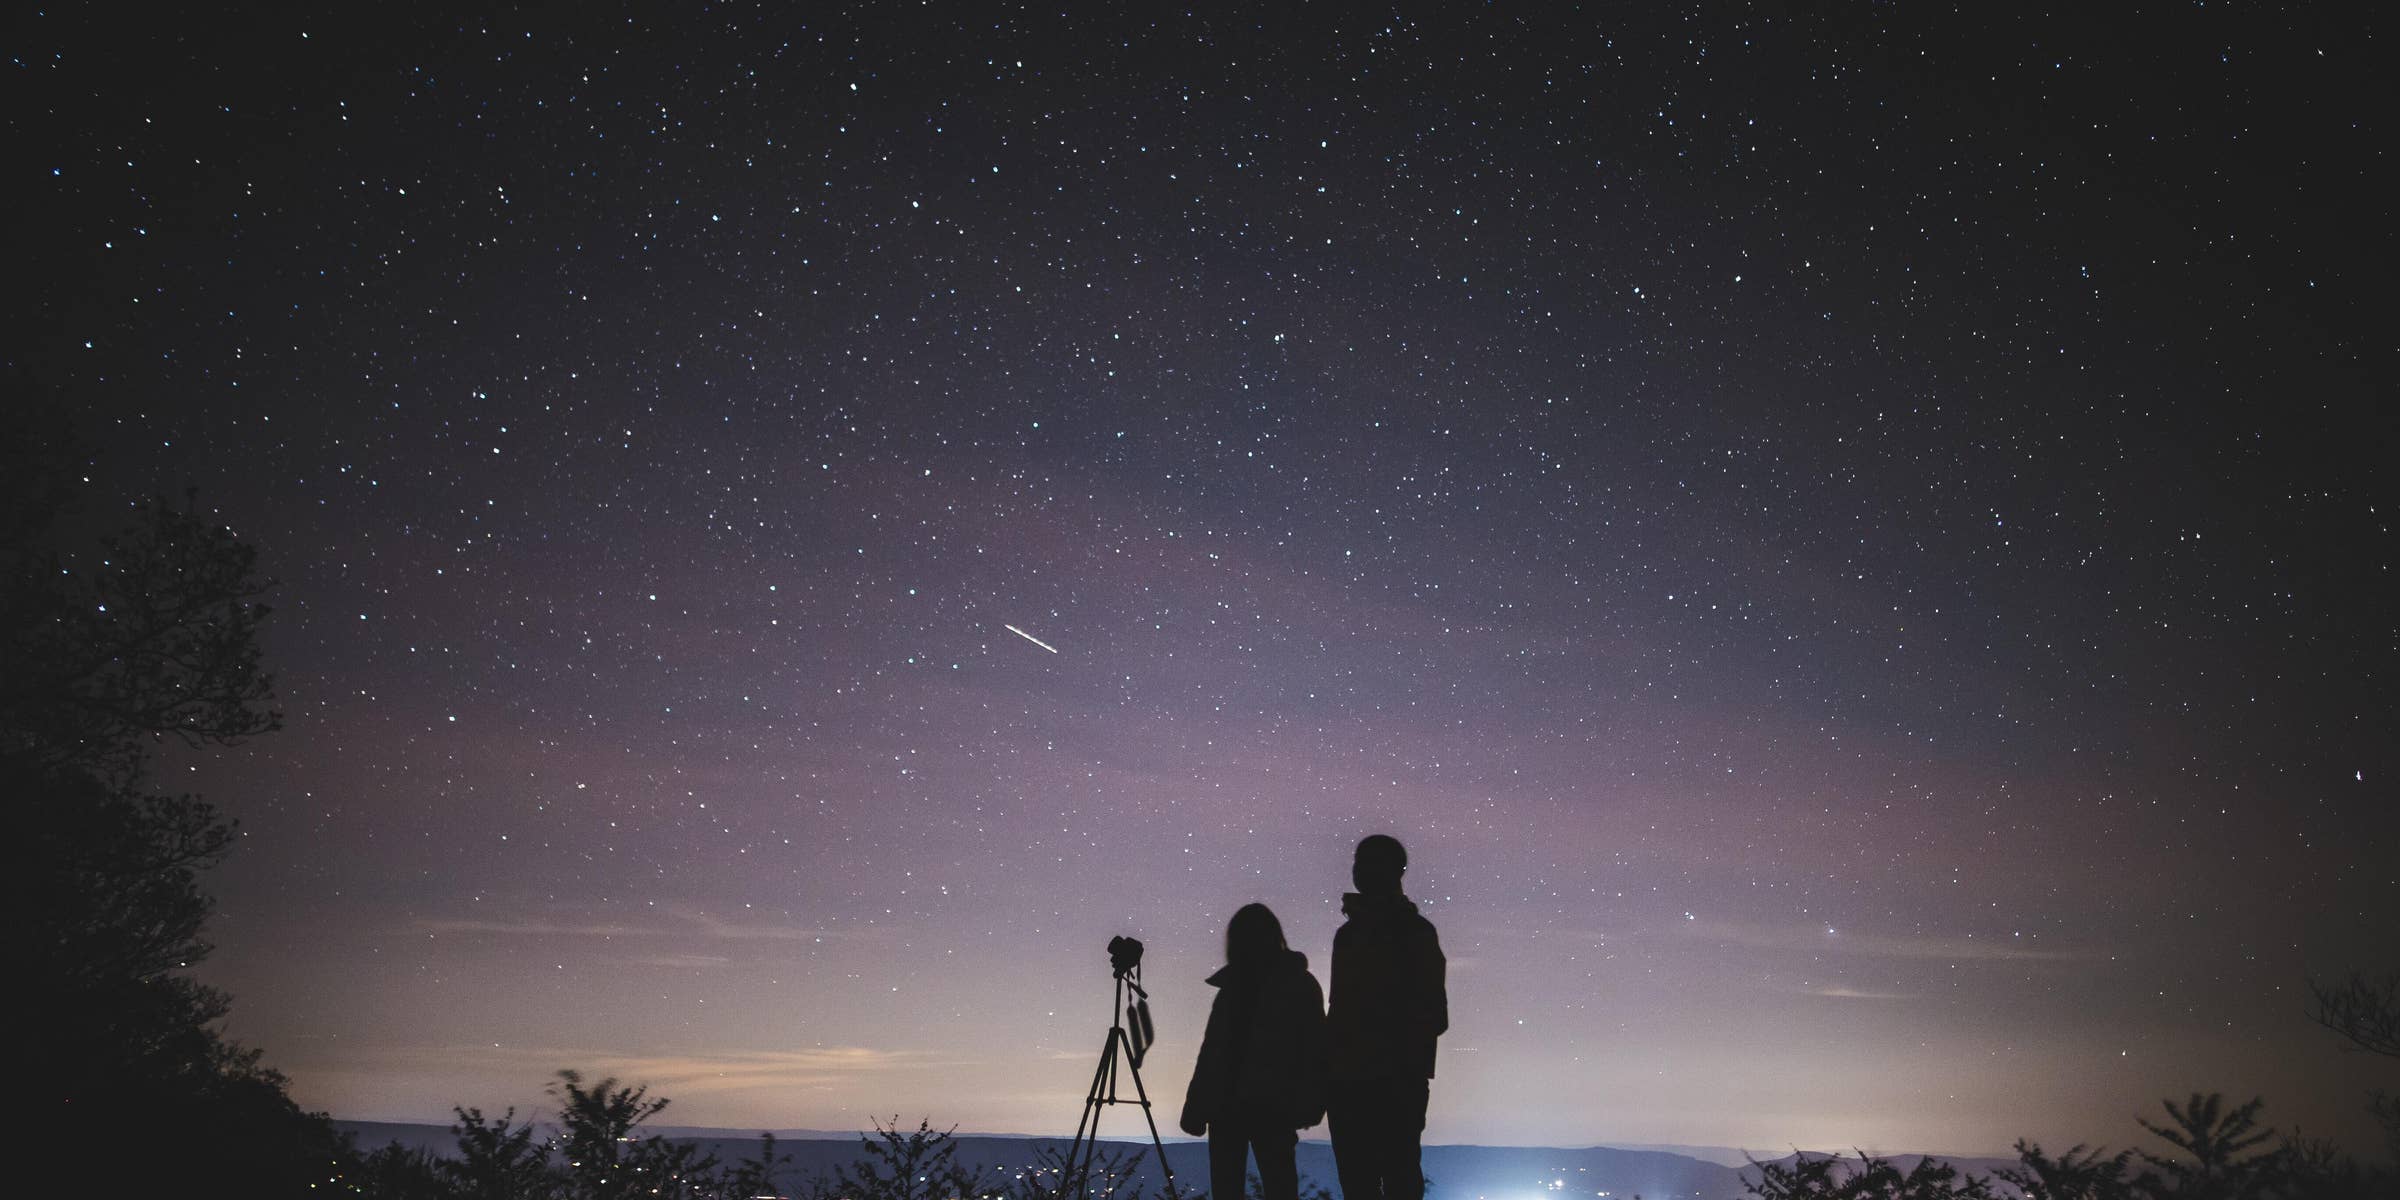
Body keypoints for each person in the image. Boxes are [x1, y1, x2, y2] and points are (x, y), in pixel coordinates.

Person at [1325, 834, 1447, 1200]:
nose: (1361, 871)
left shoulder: (1412, 934)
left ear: (1397, 871)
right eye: (1360, 863)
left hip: (1386, 1080)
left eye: (1370, 863)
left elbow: (1433, 1015)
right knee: (1380, 1178)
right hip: (1369, 1080)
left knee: (1385, 1177)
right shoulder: (1350, 935)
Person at [1180, 903, 1326, 1200]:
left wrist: (1196, 1107)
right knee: (1278, 1185)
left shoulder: (1235, 989)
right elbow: (1315, 1050)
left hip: (1249, 1106)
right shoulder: (1298, 984)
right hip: (1264, 1106)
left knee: (1246, 1187)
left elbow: (1211, 1055)